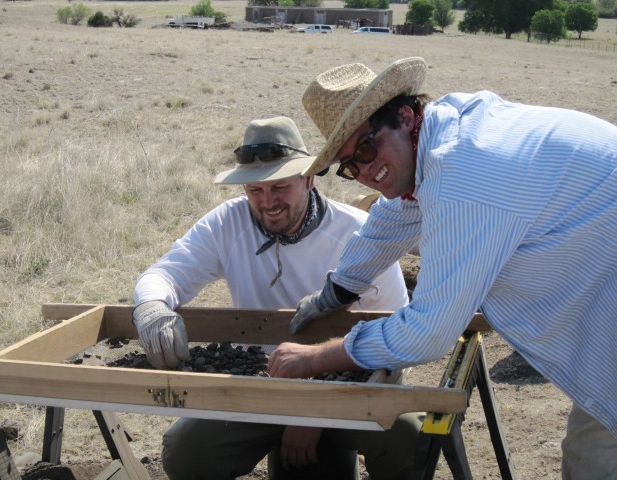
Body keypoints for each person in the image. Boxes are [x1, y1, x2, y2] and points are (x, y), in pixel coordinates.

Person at [268, 57, 617, 480]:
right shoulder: (444, 131)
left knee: (593, 459)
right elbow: (394, 217)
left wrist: (316, 358)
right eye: (349, 166)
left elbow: (429, 332)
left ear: (404, 114)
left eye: (365, 147)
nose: (364, 171)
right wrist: (336, 291)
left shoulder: (464, 172)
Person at [132, 116, 421, 480]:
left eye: (280, 187)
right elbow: (164, 273)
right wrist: (151, 307)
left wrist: (315, 409)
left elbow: (394, 347)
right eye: (255, 191)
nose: (268, 202)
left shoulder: (359, 234)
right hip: (258, 387)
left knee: (409, 436)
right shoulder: (227, 224)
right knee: (186, 452)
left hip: (346, 388)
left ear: (308, 179)